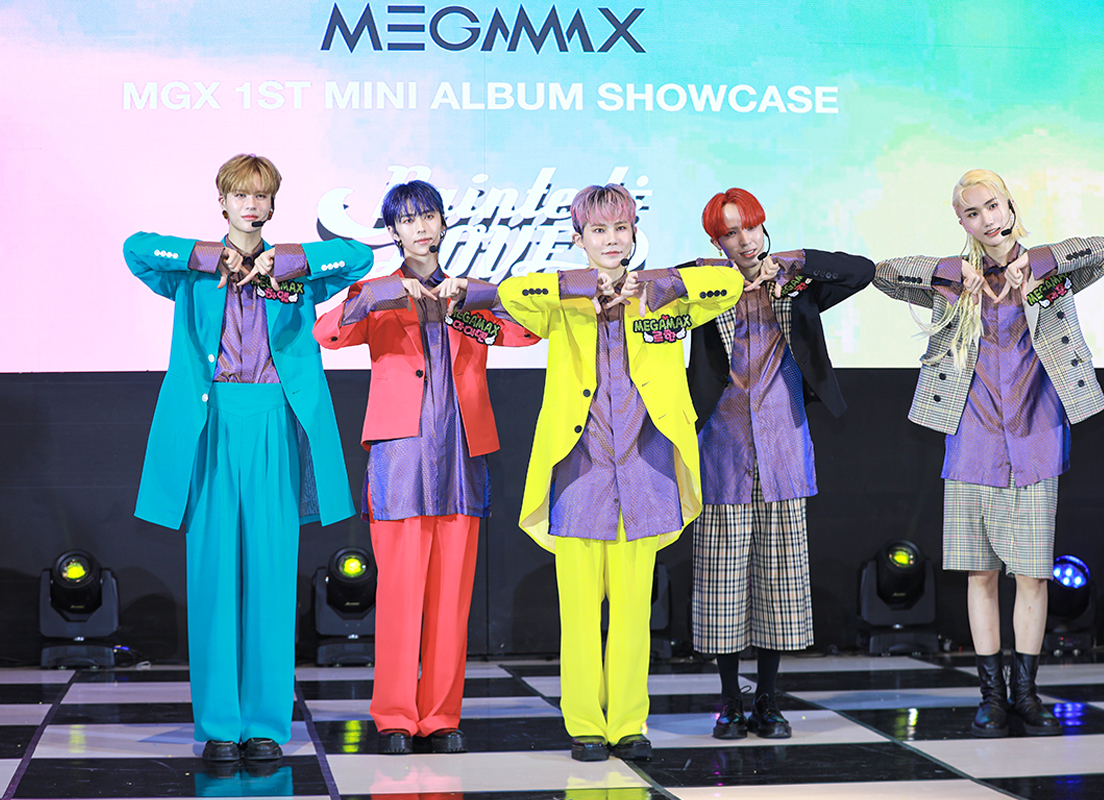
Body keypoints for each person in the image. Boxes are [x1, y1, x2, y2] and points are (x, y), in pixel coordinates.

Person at [123, 154, 372, 763]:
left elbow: (358, 257)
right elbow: (136, 249)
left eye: (262, 196)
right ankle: (218, 726)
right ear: (223, 202)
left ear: (273, 204)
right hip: (211, 425)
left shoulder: (294, 271)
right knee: (212, 574)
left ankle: (264, 724)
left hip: (273, 422)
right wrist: (210, 257)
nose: (252, 206)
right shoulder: (191, 272)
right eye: (241, 195)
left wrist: (282, 262)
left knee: (271, 573)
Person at [873, 169, 1104, 738]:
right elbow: (882, 274)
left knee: (1032, 575)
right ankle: (990, 695)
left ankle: (1026, 693)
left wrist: (1040, 260)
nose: (986, 219)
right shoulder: (953, 283)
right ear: (961, 222)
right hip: (972, 440)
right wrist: (946, 270)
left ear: (1009, 206)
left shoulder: (1047, 274)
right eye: (972, 213)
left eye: (992, 206)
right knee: (980, 574)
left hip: (1035, 438)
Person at [498, 184, 741, 762]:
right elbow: (510, 293)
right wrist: (581, 286)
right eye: (599, 230)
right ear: (579, 239)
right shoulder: (562, 300)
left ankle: (630, 723)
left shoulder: (662, 297)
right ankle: (585, 725)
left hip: (645, 472)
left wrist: (665, 283)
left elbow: (728, 284)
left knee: (634, 613)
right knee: (580, 615)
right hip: (578, 474)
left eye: (621, 229)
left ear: (634, 234)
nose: (611, 240)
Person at [313, 179, 537, 756]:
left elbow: (526, 331)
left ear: (443, 223)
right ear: (392, 231)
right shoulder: (379, 292)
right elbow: (328, 333)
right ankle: (394, 715)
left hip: (461, 456)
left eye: (429, 215)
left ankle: (440, 716)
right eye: (408, 219)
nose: (420, 227)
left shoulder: (470, 296)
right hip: (401, 458)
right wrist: (385, 292)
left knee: (452, 597)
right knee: (400, 594)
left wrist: (476, 296)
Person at [688, 188, 874, 739]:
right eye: (730, 233)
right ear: (717, 242)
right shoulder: (704, 287)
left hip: (783, 447)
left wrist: (792, 263)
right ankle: (729, 701)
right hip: (721, 448)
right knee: (721, 587)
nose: (744, 241)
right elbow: (654, 289)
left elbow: (861, 271)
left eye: (750, 227)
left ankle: (768, 700)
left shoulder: (795, 283)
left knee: (779, 586)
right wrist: (705, 276)